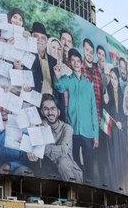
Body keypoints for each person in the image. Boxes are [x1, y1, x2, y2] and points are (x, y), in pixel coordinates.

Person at [53, 48, 98, 182]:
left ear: (81, 63)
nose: (76, 63)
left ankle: (90, 185)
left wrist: (96, 136)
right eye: (73, 61)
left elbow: (93, 109)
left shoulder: (88, 84)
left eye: (78, 61)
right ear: (71, 63)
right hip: (73, 128)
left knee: (89, 162)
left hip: (88, 131)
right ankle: (79, 184)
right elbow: (59, 87)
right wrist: (57, 75)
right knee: (75, 161)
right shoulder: (68, 80)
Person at [40, 94, 83, 183]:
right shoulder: (41, 127)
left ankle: (73, 195)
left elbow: (63, 151)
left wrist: (43, 149)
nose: (50, 112)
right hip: (50, 174)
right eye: (46, 109)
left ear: (58, 112)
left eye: (53, 108)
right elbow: (35, 151)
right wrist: (44, 129)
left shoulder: (67, 128)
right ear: (42, 112)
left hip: (71, 174)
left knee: (63, 162)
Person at [30, 22, 57, 95]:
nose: (39, 40)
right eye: (36, 37)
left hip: (51, 102)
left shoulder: (54, 61)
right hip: (33, 100)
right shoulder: (25, 57)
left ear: (46, 41)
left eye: (43, 38)